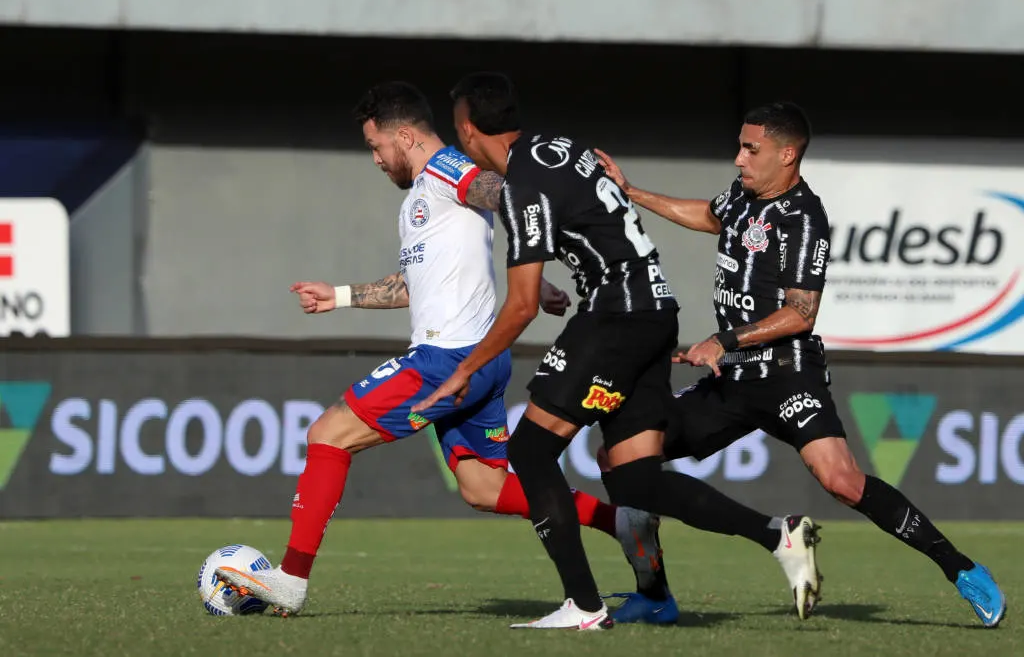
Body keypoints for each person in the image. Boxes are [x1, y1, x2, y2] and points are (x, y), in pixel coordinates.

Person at [214, 81, 664, 616]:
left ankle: (290, 578)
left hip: (448, 357)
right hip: (481, 360)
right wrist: (336, 296)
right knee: (483, 487)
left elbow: (505, 193)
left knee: (327, 436)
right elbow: (412, 286)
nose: (377, 159)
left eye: (376, 147)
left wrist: (536, 261)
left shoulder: (446, 171)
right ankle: (620, 522)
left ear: (405, 136)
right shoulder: (420, 204)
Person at [413, 73, 823, 630]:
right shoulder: (562, 148)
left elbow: (521, 305)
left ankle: (583, 606)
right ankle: (777, 535)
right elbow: (589, 228)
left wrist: (464, 370)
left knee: (531, 452)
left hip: (615, 317)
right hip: (655, 313)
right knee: (634, 480)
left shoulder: (523, 184)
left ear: (466, 129)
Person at [593, 101, 1007, 628]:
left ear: (787, 155)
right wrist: (633, 194)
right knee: (619, 460)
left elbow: (800, 313)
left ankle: (963, 570)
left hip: (788, 376)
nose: (739, 158)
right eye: (740, 146)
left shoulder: (805, 217)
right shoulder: (742, 197)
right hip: (731, 381)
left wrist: (724, 339)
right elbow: (707, 215)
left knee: (842, 481)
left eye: (751, 148)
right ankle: (653, 594)